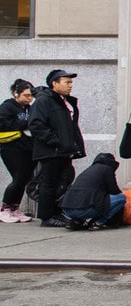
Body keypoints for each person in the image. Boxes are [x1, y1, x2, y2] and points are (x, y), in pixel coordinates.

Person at [28, 69, 85, 227]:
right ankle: (47, 217)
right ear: (54, 83)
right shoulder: (44, 100)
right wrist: (56, 141)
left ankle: (56, 212)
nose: (70, 85)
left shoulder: (65, 101)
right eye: (66, 82)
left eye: (71, 82)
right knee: (49, 183)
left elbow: (71, 126)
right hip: (51, 151)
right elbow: (36, 124)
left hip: (64, 150)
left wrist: (74, 146)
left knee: (64, 180)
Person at [0, 79, 36, 222]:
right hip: (10, 147)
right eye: (26, 95)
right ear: (16, 93)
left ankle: (15, 208)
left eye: (31, 95)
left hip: (25, 147)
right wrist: (25, 123)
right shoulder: (7, 107)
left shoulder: (28, 108)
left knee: (25, 178)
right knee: (19, 177)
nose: (29, 98)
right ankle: (5, 208)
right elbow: (2, 124)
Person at [59, 153, 125, 230]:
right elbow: (114, 191)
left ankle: (76, 221)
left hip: (66, 209)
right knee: (121, 198)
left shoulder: (88, 170)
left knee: (88, 200)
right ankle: (98, 222)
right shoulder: (107, 169)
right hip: (84, 210)